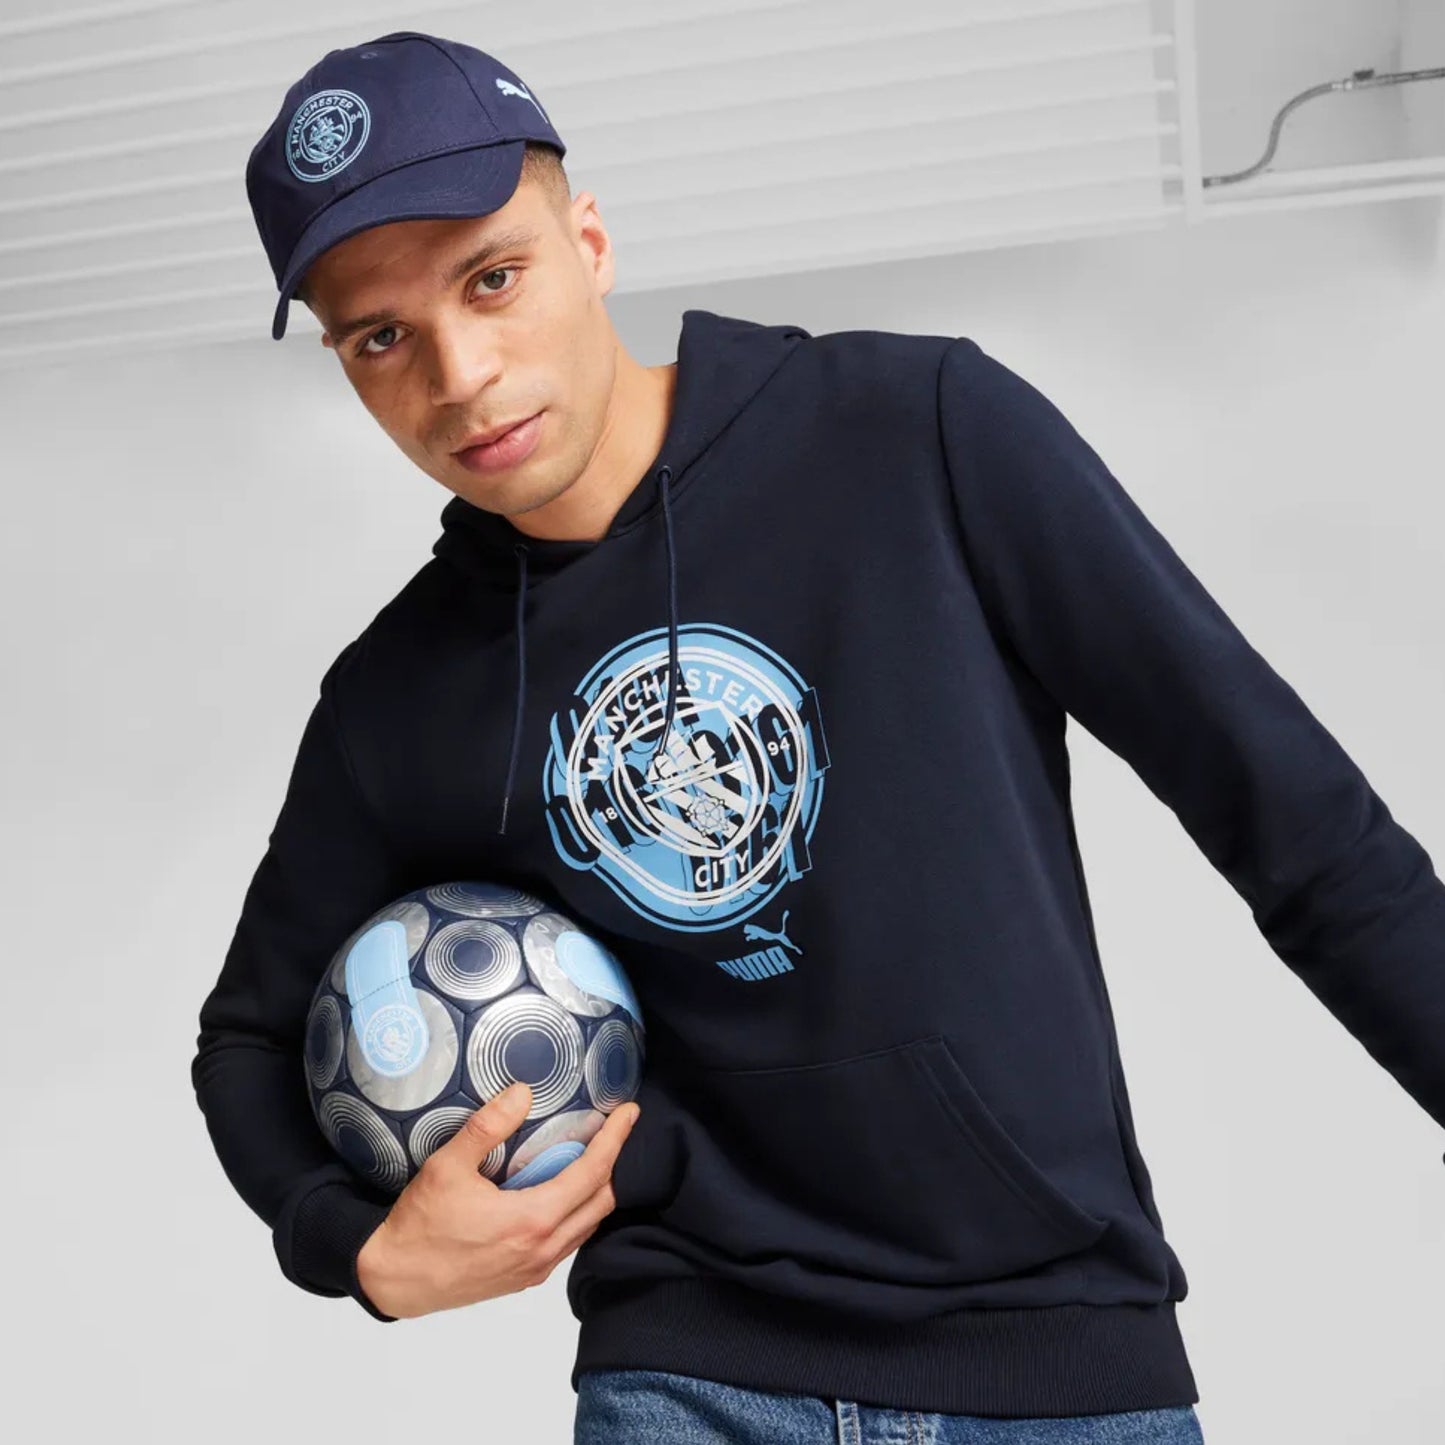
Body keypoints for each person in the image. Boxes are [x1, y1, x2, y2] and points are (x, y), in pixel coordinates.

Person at [192, 30, 1445, 1445]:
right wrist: (346, 1245)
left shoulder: (916, 432)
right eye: (381, 336)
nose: (462, 373)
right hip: (682, 1374)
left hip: (1056, 1367)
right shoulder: (400, 691)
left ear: (588, 242)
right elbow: (244, 1034)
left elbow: (1293, 820)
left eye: (493, 278)